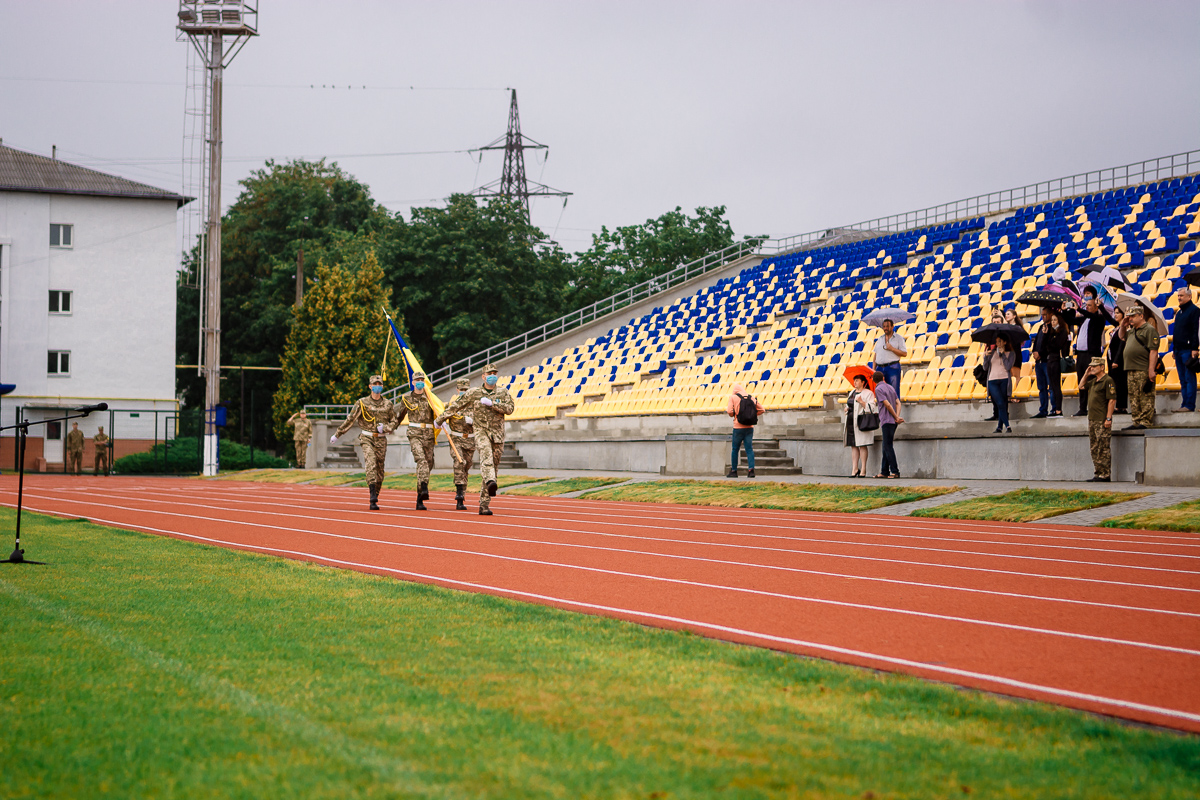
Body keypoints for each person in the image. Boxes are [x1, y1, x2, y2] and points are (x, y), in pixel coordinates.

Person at [436, 364, 514, 516]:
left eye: (494, 373)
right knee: (486, 458)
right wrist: (440, 419)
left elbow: (510, 409)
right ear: (483, 376)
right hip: (481, 432)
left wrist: (493, 404)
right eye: (489, 373)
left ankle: (484, 504)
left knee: (493, 466)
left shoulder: (503, 392)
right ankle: (490, 481)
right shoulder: (474, 393)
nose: (492, 376)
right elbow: (456, 405)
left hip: (497, 435)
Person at [332, 374, 398, 510]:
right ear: (370, 386)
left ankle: (375, 496)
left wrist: (386, 428)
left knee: (380, 471)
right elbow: (351, 419)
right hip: (367, 438)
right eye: (375, 384)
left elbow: (394, 421)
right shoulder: (362, 403)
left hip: (381, 439)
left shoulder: (388, 404)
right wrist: (338, 434)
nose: (377, 386)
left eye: (380, 384)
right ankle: (372, 495)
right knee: (370, 463)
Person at [395, 371, 438, 511]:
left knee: (428, 464)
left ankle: (420, 496)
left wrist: (440, 421)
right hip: (414, 434)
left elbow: (438, 412)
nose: (420, 382)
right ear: (413, 382)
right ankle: (424, 487)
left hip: (429, 434)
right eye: (417, 380)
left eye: (422, 380)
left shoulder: (430, 397)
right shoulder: (407, 398)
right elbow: (399, 416)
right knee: (421, 460)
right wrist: (389, 428)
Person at [1062, 286, 1108, 416]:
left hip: (1091, 355)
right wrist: (1065, 311)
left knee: (1092, 381)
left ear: (1096, 307)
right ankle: (1083, 408)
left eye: (1089, 305)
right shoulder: (1084, 319)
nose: (1086, 307)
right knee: (1081, 380)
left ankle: (1094, 407)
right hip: (1081, 354)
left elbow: (1091, 315)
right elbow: (1070, 320)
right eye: (1086, 305)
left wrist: (1079, 309)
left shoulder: (1099, 318)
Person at [1118, 304, 1160, 430]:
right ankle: (1136, 420)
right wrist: (1123, 325)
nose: (1130, 319)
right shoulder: (1132, 331)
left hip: (1143, 368)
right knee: (1134, 396)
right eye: (1129, 316)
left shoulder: (1149, 330)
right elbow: (1121, 336)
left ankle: (1145, 421)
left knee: (1145, 395)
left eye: (1133, 316)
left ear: (1141, 316)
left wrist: (1151, 370)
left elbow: (1153, 351)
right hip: (1131, 368)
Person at [1080, 357, 1117, 481]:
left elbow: (1112, 400)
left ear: (1102, 367)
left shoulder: (1107, 380)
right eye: (1091, 366)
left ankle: (1105, 474)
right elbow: (1081, 386)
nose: (1092, 368)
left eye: (1095, 366)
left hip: (1102, 419)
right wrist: (1086, 374)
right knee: (1094, 447)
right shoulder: (1093, 381)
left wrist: (1108, 418)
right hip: (1092, 419)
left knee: (1103, 447)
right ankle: (1098, 472)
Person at [1031, 307, 1069, 417]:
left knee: (1053, 387)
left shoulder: (1057, 331)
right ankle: (1043, 410)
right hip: (1041, 361)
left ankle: (1055, 409)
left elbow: (1052, 346)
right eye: (1042, 315)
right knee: (1042, 387)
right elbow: (1037, 342)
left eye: (1045, 315)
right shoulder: (1042, 328)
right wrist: (1034, 352)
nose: (1043, 317)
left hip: (1050, 360)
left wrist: (1040, 353)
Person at [446, 377, 477, 510]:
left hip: (470, 440)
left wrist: (474, 421)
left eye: (466, 389)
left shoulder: (475, 406)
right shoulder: (452, 405)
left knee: (466, 467)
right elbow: (442, 414)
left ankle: (462, 495)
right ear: (457, 390)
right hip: (456, 440)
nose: (464, 391)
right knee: (460, 462)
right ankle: (459, 495)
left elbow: (484, 421)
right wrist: (440, 422)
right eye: (461, 389)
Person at [726, 382, 765, 478]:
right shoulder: (751, 397)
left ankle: (734, 471)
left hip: (738, 427)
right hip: (749, 427)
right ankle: (751, 470)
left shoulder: (733, 397)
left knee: (735, 449)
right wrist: (751, 416)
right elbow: (762, 410)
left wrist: (736, 415)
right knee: (749, 449)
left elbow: (729, 411)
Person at [843, 374, 877, 477]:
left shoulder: (868, 393)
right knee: (853, 445)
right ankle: (854, 469)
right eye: (854, 380)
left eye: (857, 380)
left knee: (862, 444)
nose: (855, 382)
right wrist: (846, 408)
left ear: (863, 382)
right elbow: (849, 404)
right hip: (850, 422)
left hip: (861, 422)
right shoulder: (852, 392)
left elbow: (872, 408)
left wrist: (862, 402)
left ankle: (863, 469)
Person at [1172, 286, 1199, 412]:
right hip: (1178, 350)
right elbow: (1176, 332)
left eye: (1181, 295)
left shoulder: (1195, 311)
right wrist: (1174, 349)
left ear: (1189, 296)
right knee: (1182, 379)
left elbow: (1195, 330)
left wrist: (1194, 347)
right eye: (1178, 295)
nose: (1179, 298)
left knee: (1189, 378)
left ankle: (1189, 405)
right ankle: (1184, 403)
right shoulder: (1179, 313)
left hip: (1188, 350)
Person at [872, 370, 902, 478]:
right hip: (893, 421)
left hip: (886, 420)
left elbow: (887, 405)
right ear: (883, 378)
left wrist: (895, 417)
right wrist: (897, 416)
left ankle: (895, 471)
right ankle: (884, 471)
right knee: (886, 445)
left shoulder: (878, 389)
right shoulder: (890, 387)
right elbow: (898, 403)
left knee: (887, 446)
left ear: (873, 380)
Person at [984, 336, 1016, 434]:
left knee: (1004, 404)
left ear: (1005, 342)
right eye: (997, 342)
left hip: (1004, 379)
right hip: (992, 380)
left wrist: (1003, 355)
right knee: (1000, 403)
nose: (997, 344)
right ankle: (1008, 426)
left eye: (1000, 341)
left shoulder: (1011, 353)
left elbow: (1008, 366)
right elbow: (985, 367)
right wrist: (985, 357)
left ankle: (999, 427)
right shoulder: (992, 352)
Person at [871, 318, 907, 398]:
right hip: (879, 368)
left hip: (892, 367)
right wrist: (873, 369)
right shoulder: (880, 339)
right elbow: (875, 354)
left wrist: (892, 349)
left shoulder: (899, 338)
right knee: (881, 392)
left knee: (893, 391)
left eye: (887, 326)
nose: (885, 328)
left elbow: (904, 353)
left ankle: (895, 406)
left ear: (892, 326)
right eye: (884, 326)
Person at [1106, 306, 1129, 415]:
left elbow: (1121, 345)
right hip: (1111, 359)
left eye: (1118, 313)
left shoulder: (1124, 328)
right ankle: (1117, 405)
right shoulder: (1116, 326)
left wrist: (1116, 360)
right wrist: (1101, 306)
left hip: (1119, 360)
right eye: (1114, 313)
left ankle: (1121, 406)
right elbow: (1108, 318)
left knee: (1120, 383)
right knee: (1114, 383)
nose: (1115, 315)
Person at [1004, 307, 1026, 404]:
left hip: (1016, 354)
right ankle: (1011, 395)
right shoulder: (1006, 328)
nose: (1006, 316)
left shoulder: (1017, 328)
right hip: (1008, 354)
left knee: (1016, 376)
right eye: (1006, 314)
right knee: (1010, 376)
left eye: (1008, 314)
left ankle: (1017, 395)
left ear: (1014, 316)